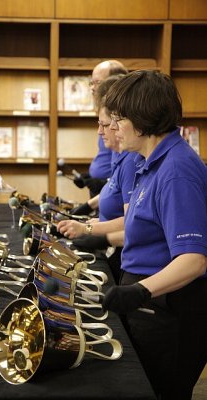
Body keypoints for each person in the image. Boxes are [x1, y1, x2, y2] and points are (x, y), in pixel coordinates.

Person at [101, 69, 207, 400]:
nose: (114, 128)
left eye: (120, 119)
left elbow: (193, 259)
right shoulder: (150, 163)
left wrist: (140, 291)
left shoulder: (176, 170)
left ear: (143, 119)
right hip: (152, 305)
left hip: (170, 312)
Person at [57, 75, 138, 283]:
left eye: (105, 124)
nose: (100, 131)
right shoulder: (123, 157)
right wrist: (89, 210)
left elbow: (134, 223)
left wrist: (91, 230)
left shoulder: (131, 160)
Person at [73, 60, 128, 197]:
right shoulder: (105, 114)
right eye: (91, 83)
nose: (92, 88)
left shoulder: (121, 125)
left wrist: (105, 182)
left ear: (115, 82)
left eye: (97, 82)